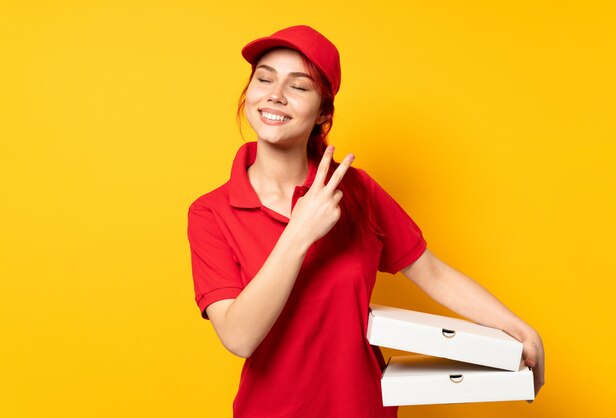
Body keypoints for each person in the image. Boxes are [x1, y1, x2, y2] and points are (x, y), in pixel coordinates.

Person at [187, 25, 545, 418]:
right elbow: (239, 337)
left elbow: (432, 272)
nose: (276, 94)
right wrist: (300, 232)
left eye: (299, 86)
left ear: (323, 110)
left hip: (363, 408)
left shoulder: (355, 189)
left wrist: (519, 329)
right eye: (264, 78)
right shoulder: (210, 213)